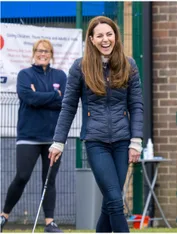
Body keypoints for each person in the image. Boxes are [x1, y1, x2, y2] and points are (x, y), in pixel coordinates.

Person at [48, 16, 143, 233]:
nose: (105, 39)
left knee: (110, 204)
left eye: (109, 34)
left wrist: (136, 141)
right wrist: (58, 142)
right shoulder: (80, 67)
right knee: (114, 200)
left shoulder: (129, 65)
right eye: (99, 35)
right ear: (91, 39)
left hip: (122, 140)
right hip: (95, 142)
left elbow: (137, 105)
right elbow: (69, 107)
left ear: (115, 36)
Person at [0, 39, 66, 233]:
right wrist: (54, 95)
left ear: (51, 54)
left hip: (53, 138)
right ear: (33, 53)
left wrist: (42, 97)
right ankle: (4, 216)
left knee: (49, 180)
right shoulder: (24, 74)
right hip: (28, 136)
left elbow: (63, 102)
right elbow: (28, 97)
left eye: (46, 51)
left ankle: (49, 223)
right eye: (39, 50)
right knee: (22, 176)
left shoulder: (60, 75)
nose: (42, 53)